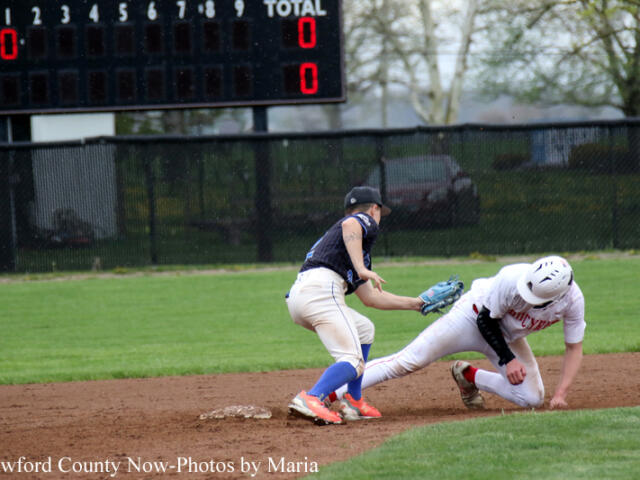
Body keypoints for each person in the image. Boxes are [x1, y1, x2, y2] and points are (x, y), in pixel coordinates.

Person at [331, 255, 585, 411]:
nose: (527, 295)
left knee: (532, 398)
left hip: (507, 337)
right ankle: (329, 392)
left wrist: (561, 393)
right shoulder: (512, 278)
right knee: (406, 362)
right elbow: (486, 320)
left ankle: (468, 376)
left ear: (556, 296)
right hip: (472, 318)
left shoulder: (573, 302)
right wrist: (508, 359)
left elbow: (574, 347)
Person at [286, 186, 425, 425]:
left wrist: (417, 304)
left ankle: (353, 399)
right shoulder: (361, 221)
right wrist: (361, 269)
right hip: (321, 289)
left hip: (304, 296)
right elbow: (350, 225)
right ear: (374, 209)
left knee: (364, 329)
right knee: (352, 360)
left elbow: (371, 298)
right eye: (380, 212)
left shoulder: (351, 249)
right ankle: (311, 397)